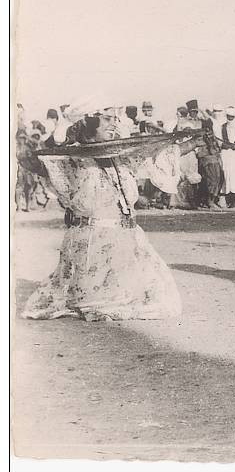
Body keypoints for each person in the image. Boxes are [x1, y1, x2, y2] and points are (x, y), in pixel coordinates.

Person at [21, 108, 204, 321]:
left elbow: (153, 156)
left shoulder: (120, 157)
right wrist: (30, 159)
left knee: (160, 296)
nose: (113, 124)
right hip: (92, 244)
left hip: (128, 238)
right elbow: (45, 166)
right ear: (88, 129)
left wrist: (192, 144)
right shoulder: (72, 160)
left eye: (115, 120)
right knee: (99, 300)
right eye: (107, 120)